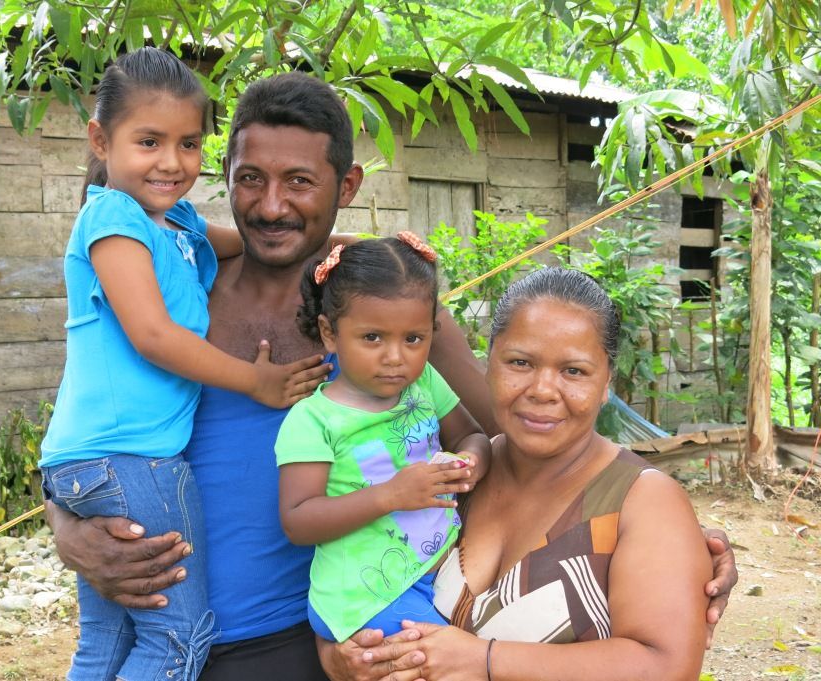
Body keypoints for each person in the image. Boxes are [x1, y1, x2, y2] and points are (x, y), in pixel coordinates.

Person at [45, 71, 738, 681]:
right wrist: (66, 527)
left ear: (346, 186)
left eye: (300, 182)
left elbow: (526, 437)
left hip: (329, 632)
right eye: (250, 179)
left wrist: (668, 537)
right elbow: (93, 429)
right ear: (223, 175)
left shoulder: (388, 313)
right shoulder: (176, 291)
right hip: (173, 632)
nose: (272, 205)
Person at [39, 51, 330, 681]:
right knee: (178, 636)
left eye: (189, 143)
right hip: (133, 458)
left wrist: (350, 247)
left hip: (95, 458)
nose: (171, 162)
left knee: (109, 638)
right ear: (100, 141)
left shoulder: (177, 226)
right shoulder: (112, 218)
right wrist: (255, 380)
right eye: (149, 141)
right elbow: (152, 335)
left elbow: (254, 242)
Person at [369, 268, 712, 681]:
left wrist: (484, 660)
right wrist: (339, 652)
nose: (543, 390)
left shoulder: (644, 501)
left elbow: (668, 666)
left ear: (607, 381)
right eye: (520, 362)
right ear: (489, 363)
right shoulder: (453, 475)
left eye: (574, 371)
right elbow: (352, 569)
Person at [276, 235, 491, 643]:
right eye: (372, 337)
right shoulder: (314, 420)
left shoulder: (423, 383)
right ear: (329, 333)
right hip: (366, 597)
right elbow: (298, 521)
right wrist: (390, 496)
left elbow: (472, 435)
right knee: (453, 658)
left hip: (436, 573)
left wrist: (470, 463)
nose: (395, 357)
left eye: (413, 339)